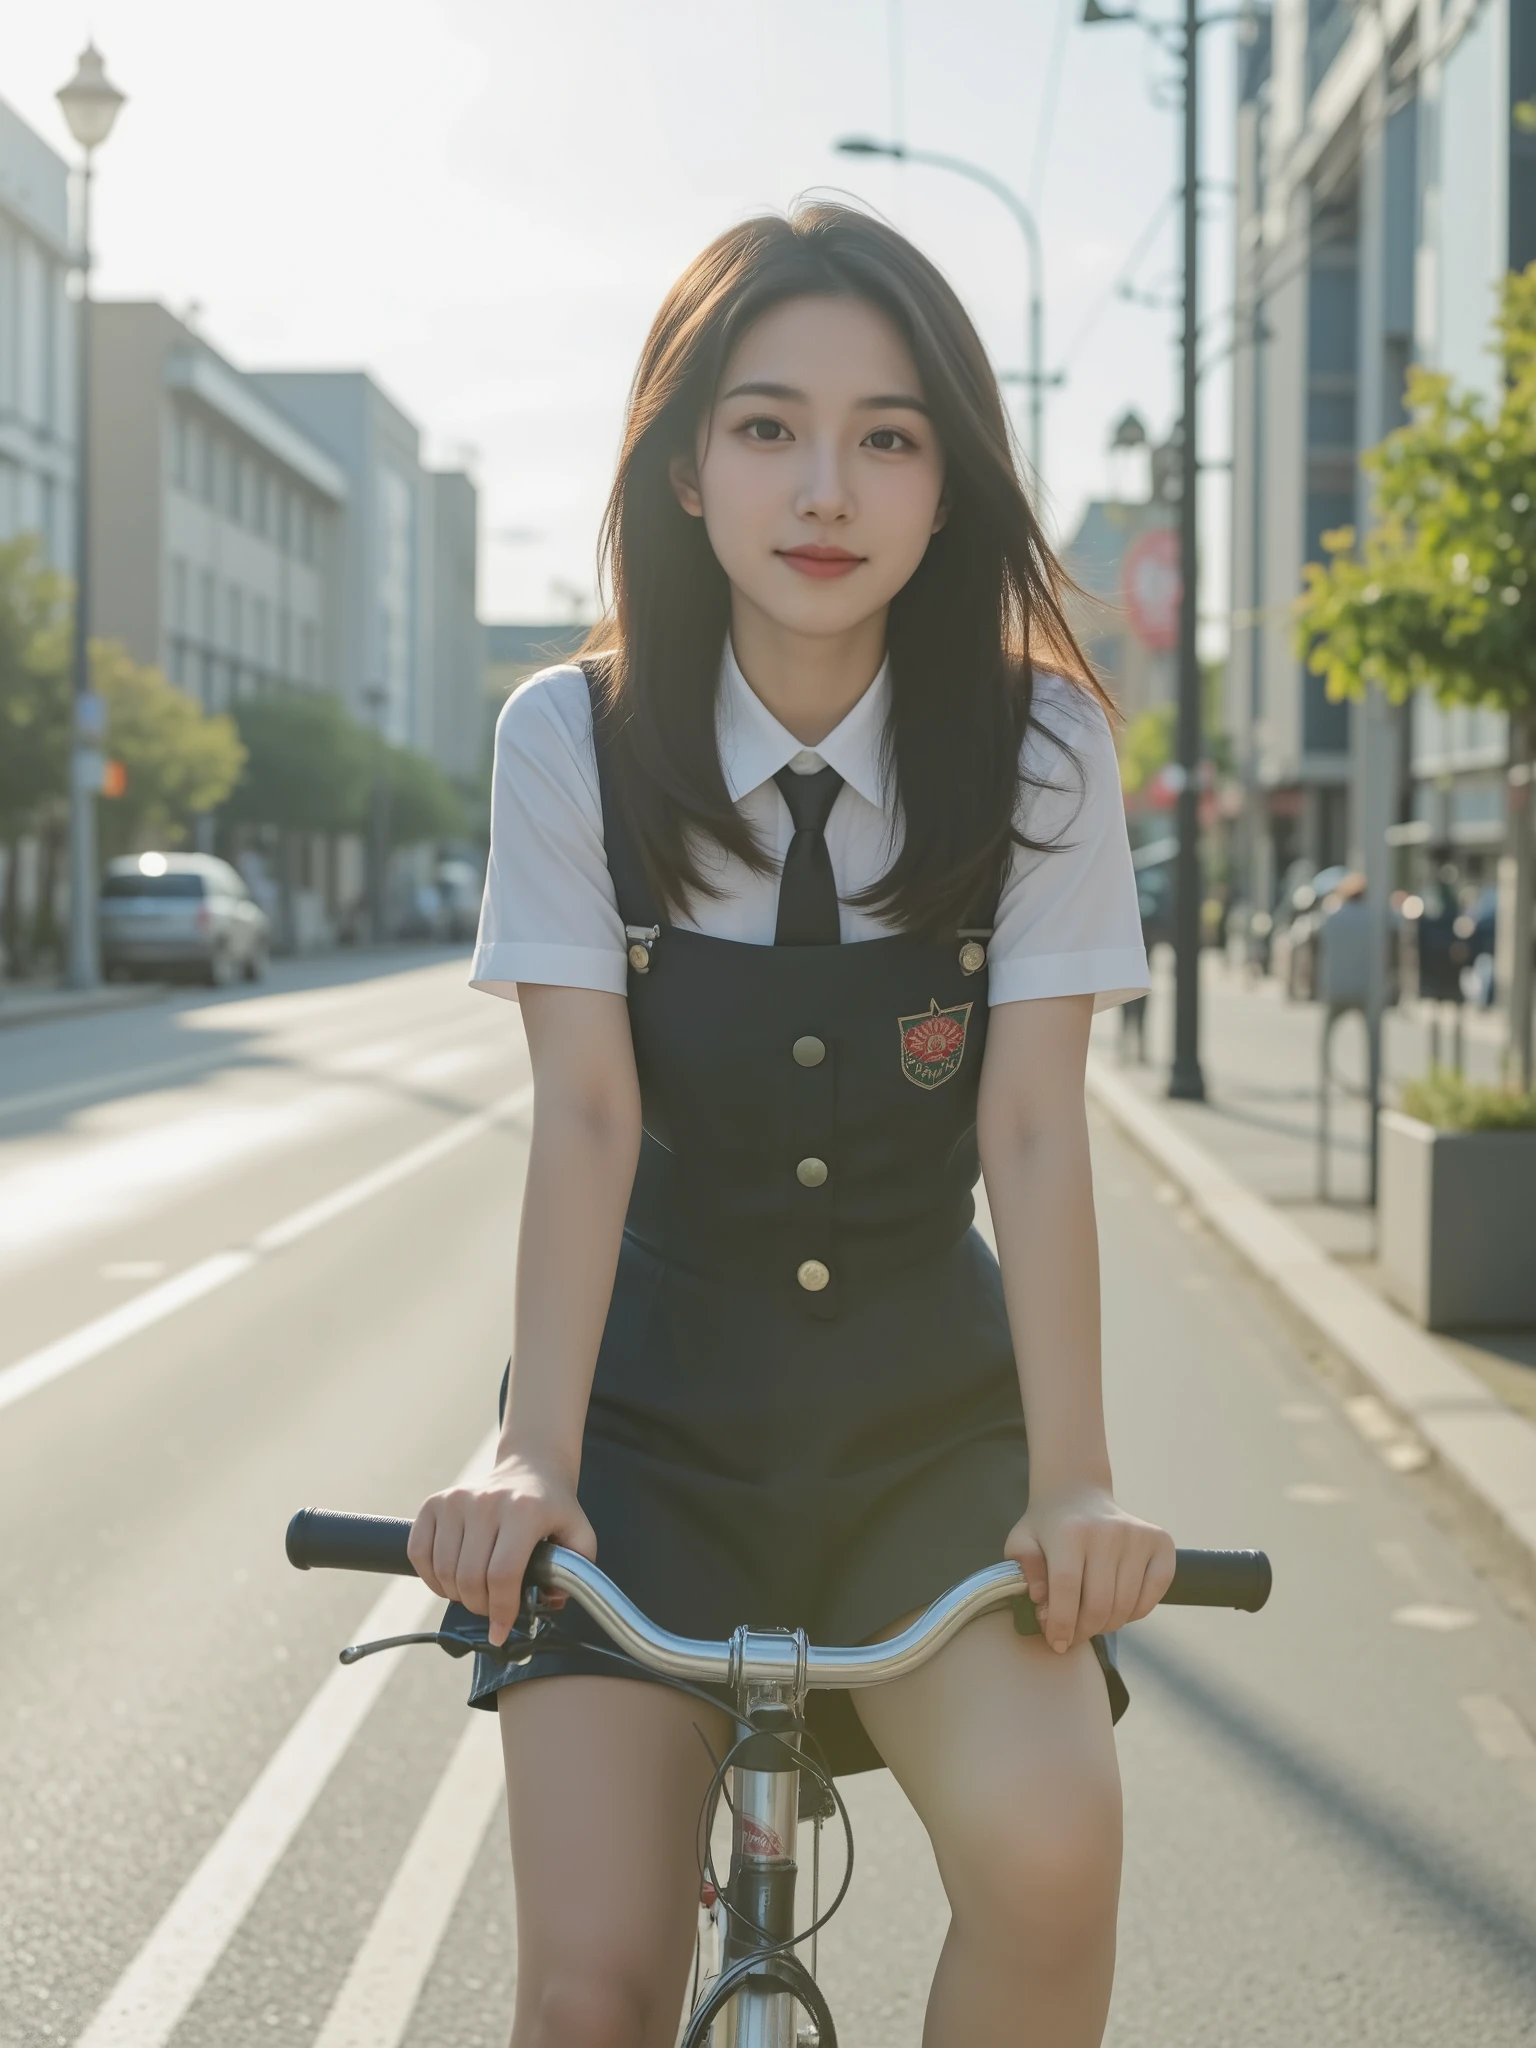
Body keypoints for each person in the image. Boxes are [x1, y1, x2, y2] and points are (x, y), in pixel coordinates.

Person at [410, 201, 1173, 2048]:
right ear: (682, 469)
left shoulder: (1048, 749)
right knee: (592, 1982)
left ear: (946, 479)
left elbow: (1039, 1138)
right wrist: (535, 1460)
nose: (824, 486)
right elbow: (586, 1118)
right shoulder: (567, 740)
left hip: (931, 1441)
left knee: (1057, 1864)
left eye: (887, 436)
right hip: (646, 1436)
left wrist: (1071, 1482)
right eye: (765, 426)